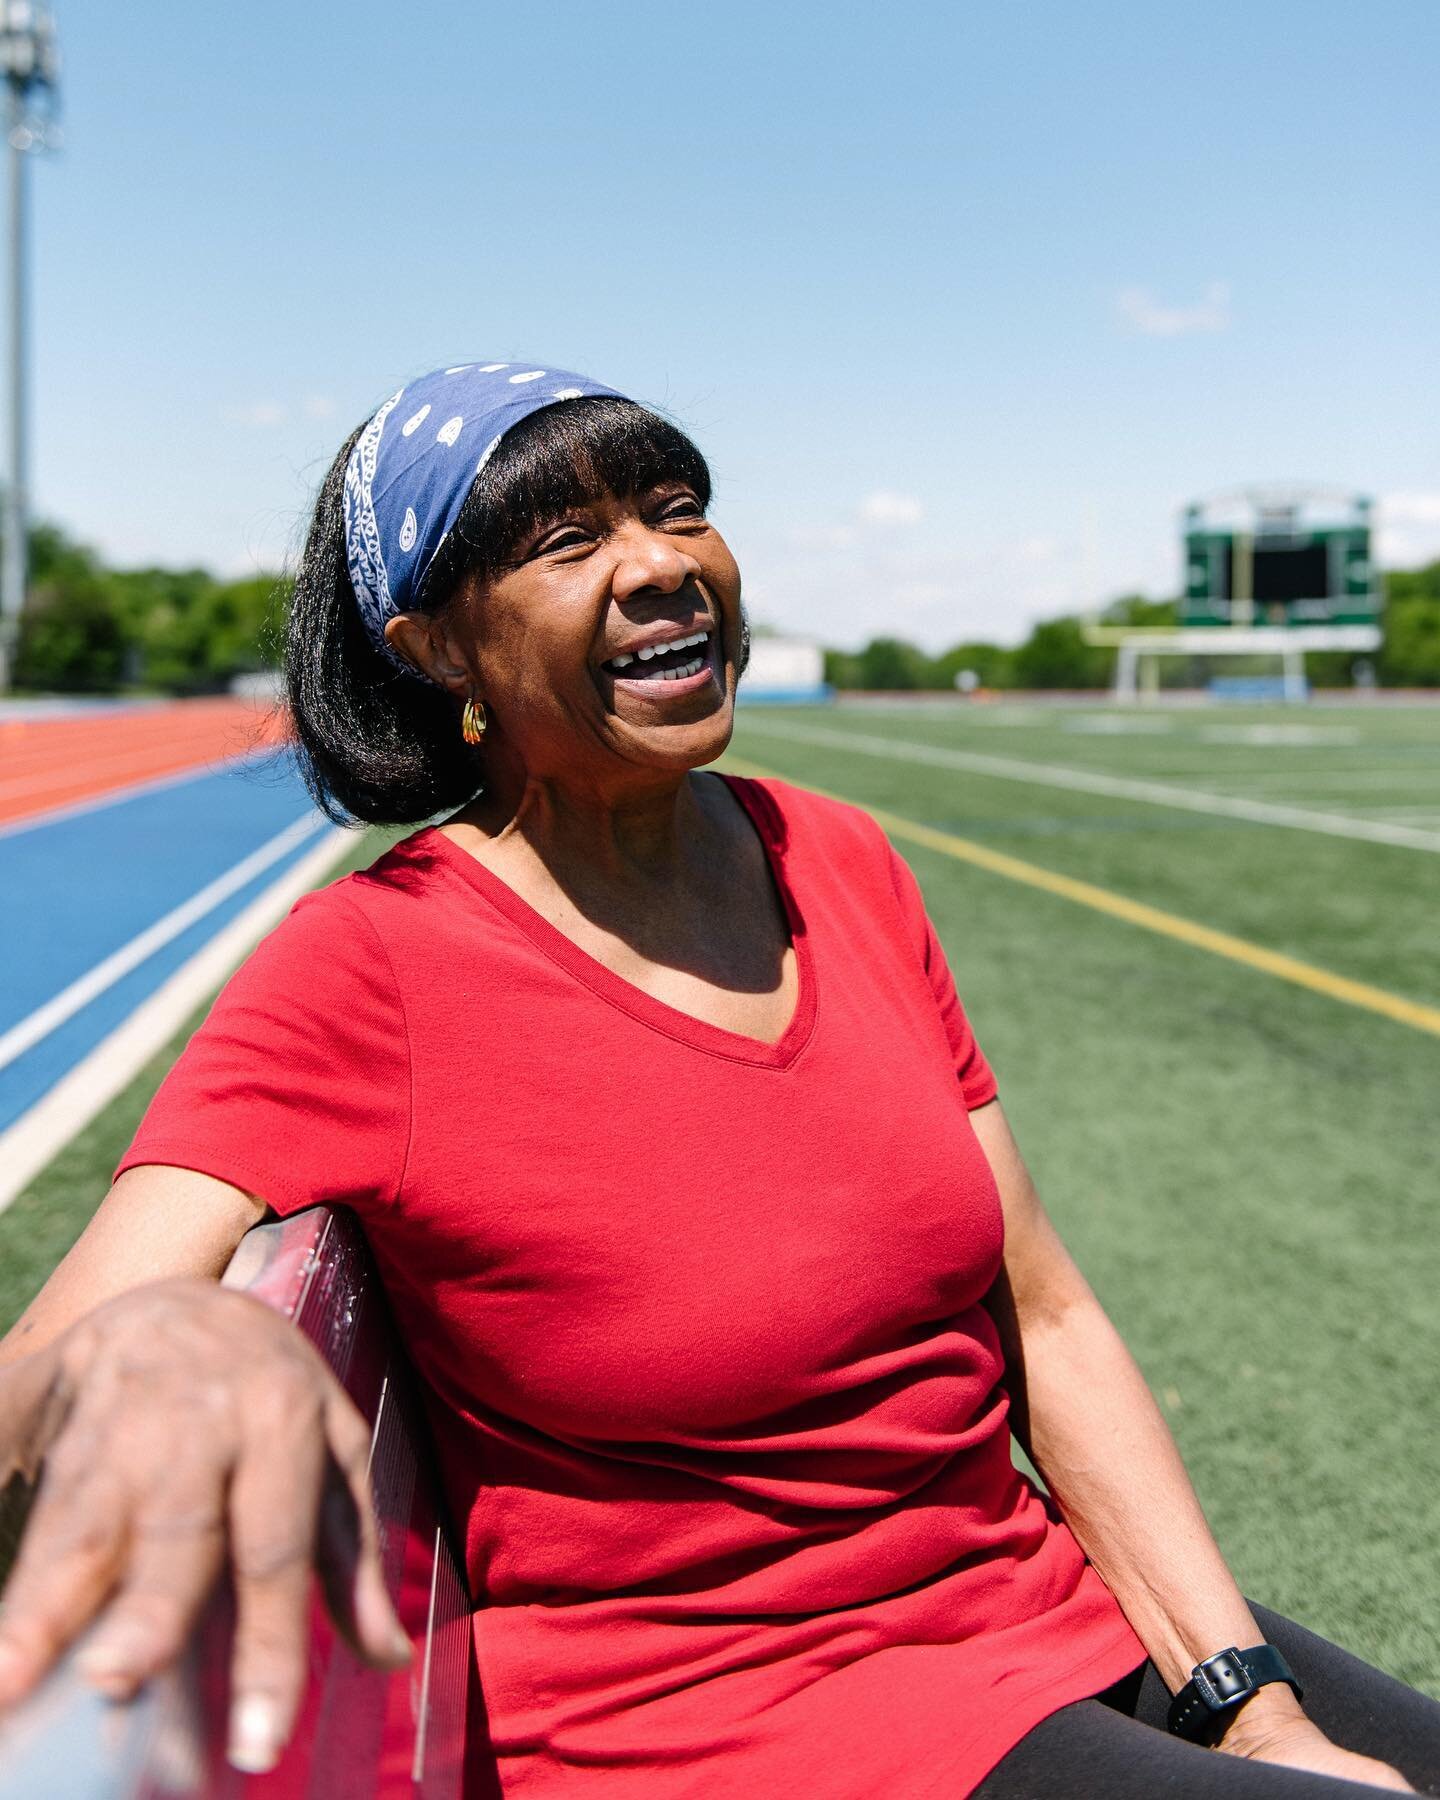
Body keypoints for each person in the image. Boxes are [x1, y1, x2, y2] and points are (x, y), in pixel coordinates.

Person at [0, 362, 1436, 1799]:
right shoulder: (369, 965)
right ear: (435, 649)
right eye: (567, 544)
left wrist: (1247, 1704)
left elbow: (1045, 1315)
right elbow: (48, 1372)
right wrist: (180, 1343)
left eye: (678, 509)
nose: (660, 567)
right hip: (731, 1717)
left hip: (1031, 1611)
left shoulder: (841, 863)